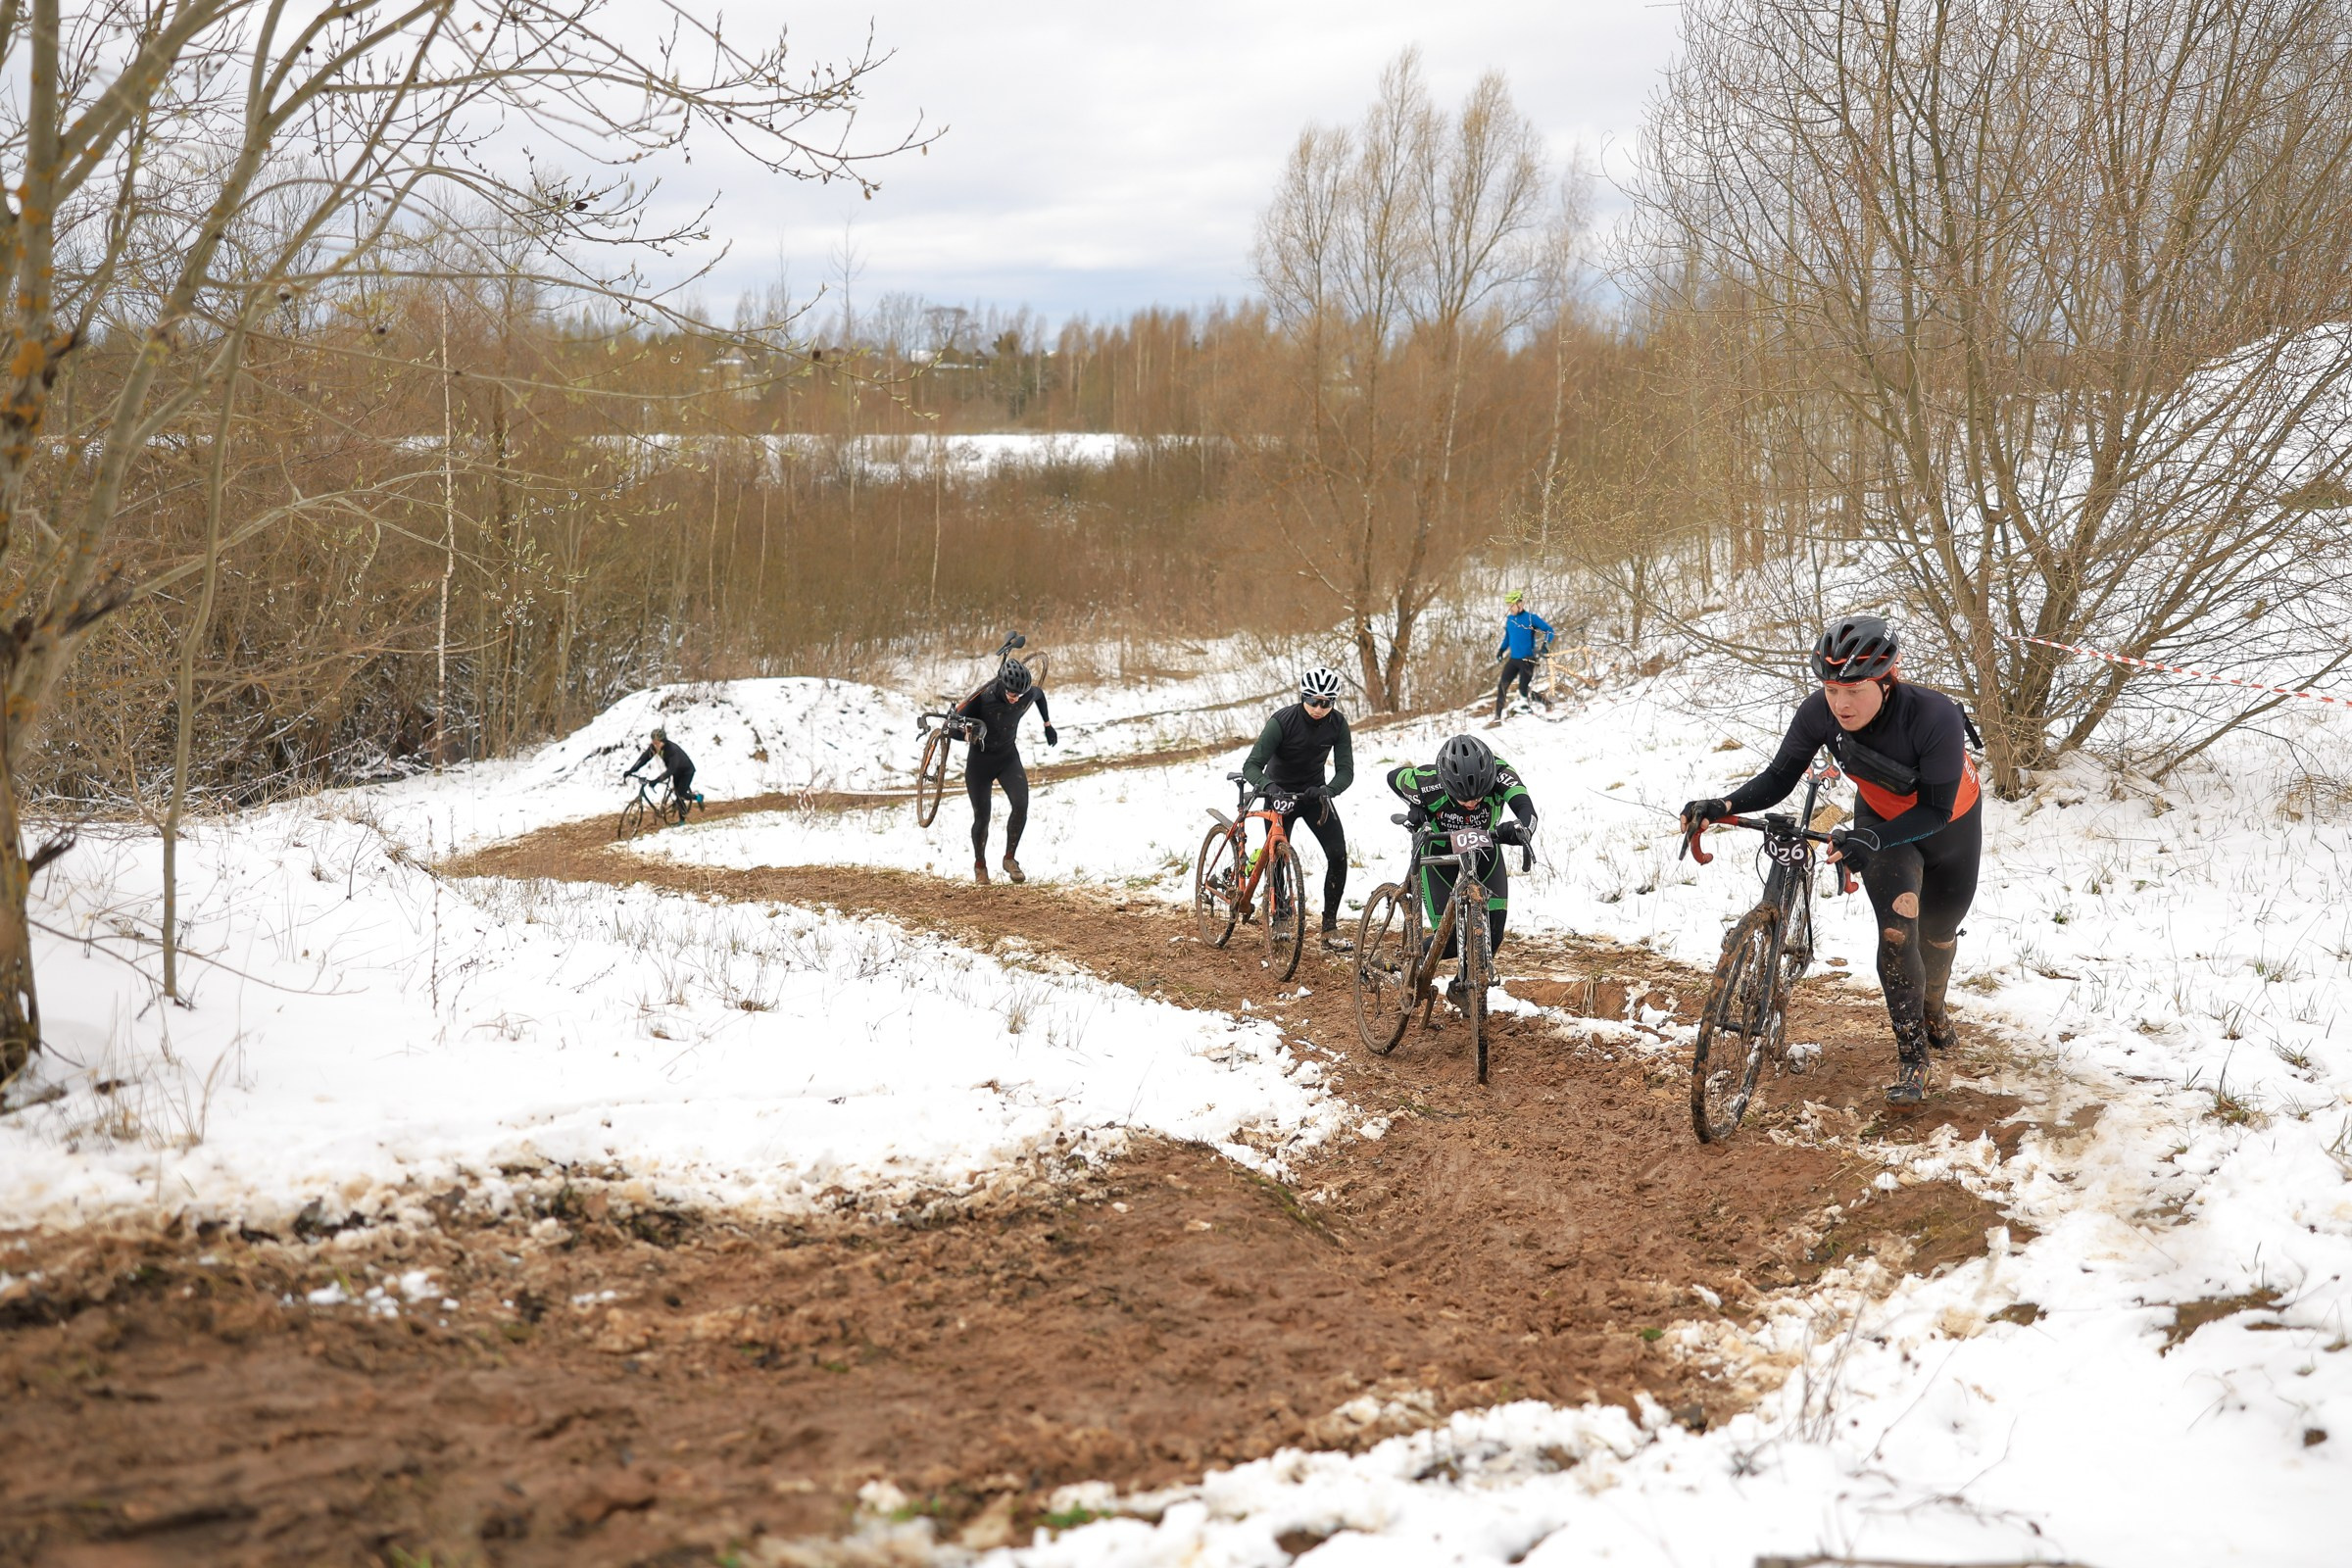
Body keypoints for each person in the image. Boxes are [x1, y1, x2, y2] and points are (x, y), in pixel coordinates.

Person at [1680, 614, 1982, 1106]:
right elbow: (1780, 775)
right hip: (1881, 826)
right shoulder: (1819, 713)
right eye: (1830, 687)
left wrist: (1874, 840)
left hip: (1950, 831)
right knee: (1898, 928)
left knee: (1938, 933)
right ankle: (1913, 1059)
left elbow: (1935, 808)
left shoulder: (1934, 716)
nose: (1840, 703)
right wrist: (1725, 804)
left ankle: (1934, 1009)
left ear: (1889, 678)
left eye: (1855, 689)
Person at [1387, 734, 1537, 998]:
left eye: (1479, 798)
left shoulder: (1501, 773)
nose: (1471, 803)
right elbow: (1392, 777)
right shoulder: (1425, 780)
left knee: (1493, 934)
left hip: (1483, 847)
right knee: (1449, 939)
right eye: (1462, 798)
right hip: (1438, 849)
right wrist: (1415, 807)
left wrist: (1521, 829)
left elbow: (1527, 811)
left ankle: (1461, 987)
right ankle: (1406, 959)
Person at [1241, 665, 1356, 949]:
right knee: (1278, 856)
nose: (1318, 708)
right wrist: (1269, 787)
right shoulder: (1282, 721)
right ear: (1302, 697)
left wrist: (1328, 790)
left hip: (1313, 796)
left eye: (1326, 703)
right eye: (1312, 700)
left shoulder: (1338, 724)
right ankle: (1281, 916)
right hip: (1279, 793)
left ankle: (1329, 928)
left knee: (1338, 854)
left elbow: (1346, 771)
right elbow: (1251, 766)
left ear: (1334, 702)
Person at [956, 658, 1056, 885]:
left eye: (1019, 696)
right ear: (1002, 685)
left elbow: (1039, 696)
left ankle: (1010, 859)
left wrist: (1047, 725)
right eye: (1011, 694)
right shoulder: (983, 698)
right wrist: (966, 733)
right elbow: (951, 728)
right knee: (982, 818)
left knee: (1021, 805)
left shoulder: (1026, 693)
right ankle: (980, 865)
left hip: (1007, 758)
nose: (1015, 699)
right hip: (979, 763)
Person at [1495, 590, 1556, 720]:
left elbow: (1549, 631)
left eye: (1512, 605)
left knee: (1522, 688)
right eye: (1509, 606)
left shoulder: (1530, 618)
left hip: (1527, 659)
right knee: (1502, 686)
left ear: (1520, 604)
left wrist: (1545, 645)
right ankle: (1497, 718)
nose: (1510, 608)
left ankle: (1529, 710)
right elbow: (1508, 637)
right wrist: (1501, 650)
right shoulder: (1510, 619)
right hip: (1513, 659)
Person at [622, 725, 701, 817]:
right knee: (677, 793)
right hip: (676, 771)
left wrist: (657, 780)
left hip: (686, 771)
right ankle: (680, 809)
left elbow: (670, 770)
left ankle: (698, 798)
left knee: (681, 794)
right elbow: (643, 759)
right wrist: (631, 770)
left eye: (657, 743)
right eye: (653, 743)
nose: (655, 745)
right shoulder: (654, 747)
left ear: (663, 742)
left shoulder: (672, 750)